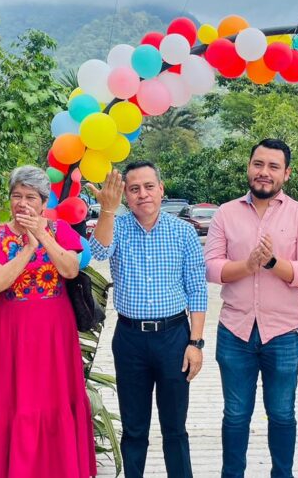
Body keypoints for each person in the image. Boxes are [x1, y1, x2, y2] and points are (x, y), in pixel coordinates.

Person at [0, 166, 95, 477]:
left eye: (30, 197)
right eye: (16, 196)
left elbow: (69, 270)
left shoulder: (61, 230)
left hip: (54, 331)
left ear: (43, 201)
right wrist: (27, 249)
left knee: (54, 400)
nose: (22, 203)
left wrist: (41, 235)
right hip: (11, 333)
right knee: (10, 401)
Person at [203, 138, 298, 478]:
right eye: (258, 164)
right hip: (234, 332)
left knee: (282, 413)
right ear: (249, 167)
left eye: (273, 167)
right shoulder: (226, 212)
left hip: (283, 333)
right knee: (236, 415)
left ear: (287, 173)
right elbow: (212, 267)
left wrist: (272, 262)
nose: (264, 173)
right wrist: (248, 265)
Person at [89, 161, 207, 478]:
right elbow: (98, 251)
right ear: (126, 195)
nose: (143, 194)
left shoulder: (183, 233)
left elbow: (197, 289)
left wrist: (195, 343)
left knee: (175, 427)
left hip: (174, 338)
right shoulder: (118, 226)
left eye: (149, 186)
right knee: (134, 427)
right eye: (134, 189)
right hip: (130, 340)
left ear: (161, 189)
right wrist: (108, 211)